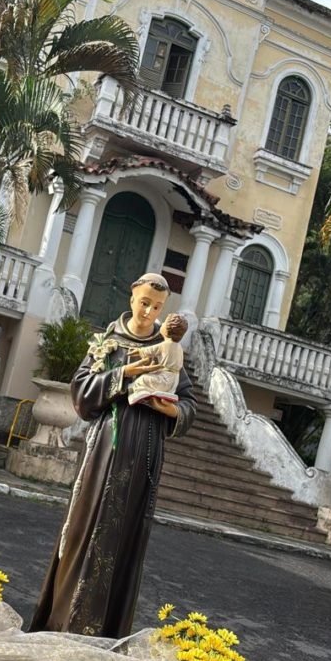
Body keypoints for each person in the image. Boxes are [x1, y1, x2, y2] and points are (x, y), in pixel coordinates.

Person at [30, 273, 197, 639]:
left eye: (156, 307)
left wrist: (167, 408)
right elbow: (81, 391)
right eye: (144, 303)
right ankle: (61, 621)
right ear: (132, 298)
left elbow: (189, 404)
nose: (148, 312)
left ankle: (106, 631)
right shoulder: (109, 342)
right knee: (84, 527)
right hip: (105, 449)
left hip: (145, 454)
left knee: (124, 538)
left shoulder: (167, 348)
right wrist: (124, 374)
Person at [127, 312, 185, 407]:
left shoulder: (166, 345)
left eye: (164, 323)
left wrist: (138, 351)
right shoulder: (179, 347)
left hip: (165, 379)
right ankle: (162, 393)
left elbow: (150, 350)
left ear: (168, 329)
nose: (162, 324)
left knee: (142, 379)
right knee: (152, 375)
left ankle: (142, 394)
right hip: (174, 380)